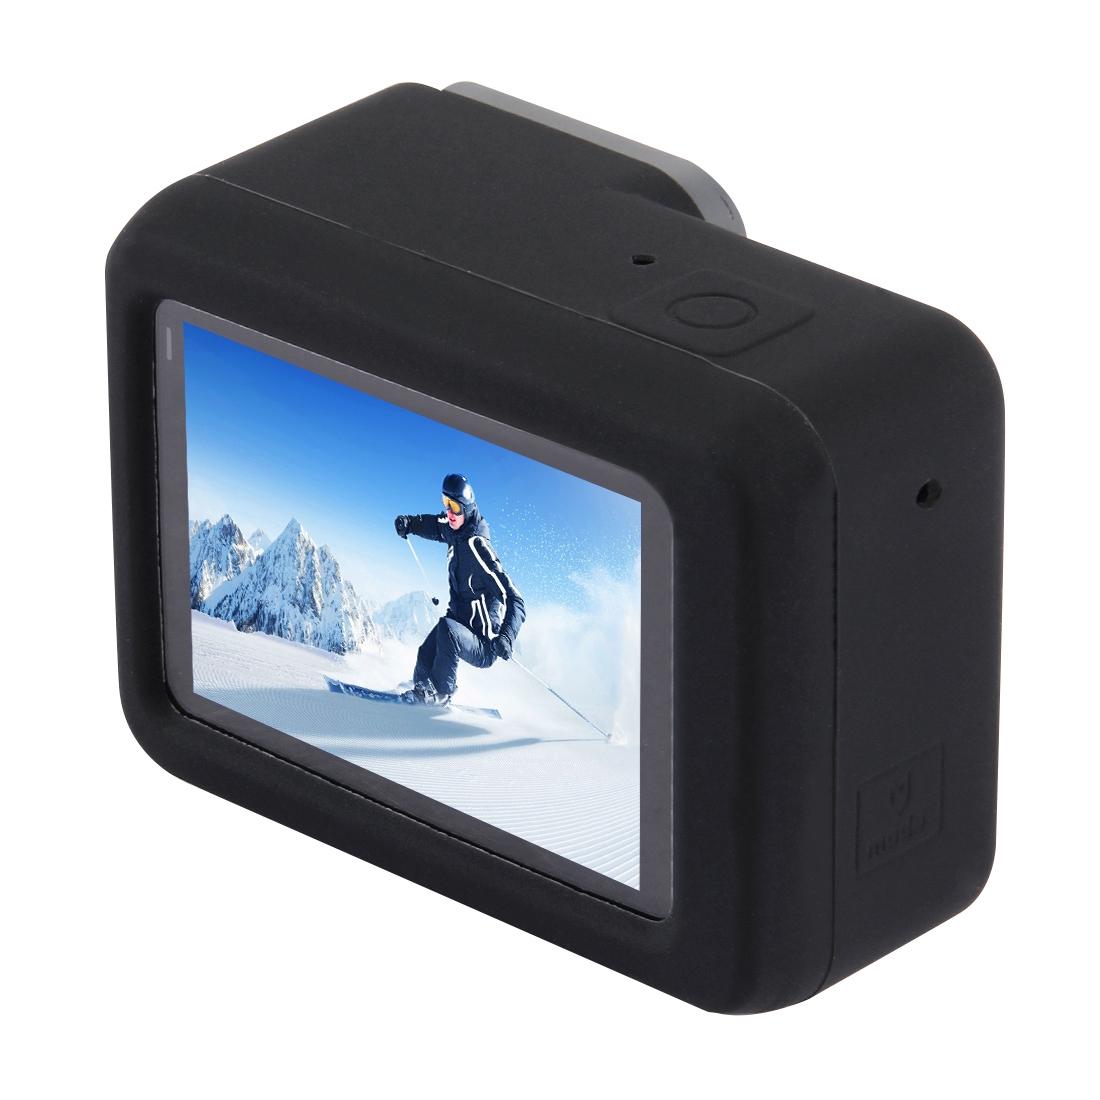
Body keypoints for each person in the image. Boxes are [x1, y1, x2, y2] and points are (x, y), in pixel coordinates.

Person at [394, 474, 525, 706]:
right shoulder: (453, 527)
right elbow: (434, 525)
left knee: (447, 630)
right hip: (457, 624)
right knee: (425, 654)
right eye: (446, 503)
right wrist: (409, 523)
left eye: (455, 507)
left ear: (467, 507)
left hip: (483, 641)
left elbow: (515, 599)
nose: (449, 512)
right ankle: (421, 692)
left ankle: (441, 694)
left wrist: (506, 636)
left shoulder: (478, 547)